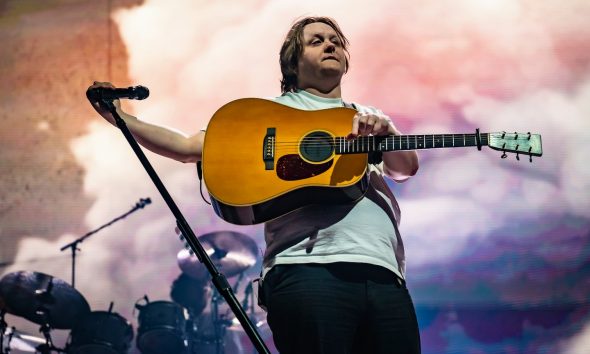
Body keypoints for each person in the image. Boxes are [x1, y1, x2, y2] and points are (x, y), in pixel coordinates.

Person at [88, 16, 420, 354]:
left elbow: (404, 169)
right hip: (307, 270)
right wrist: (121, 119)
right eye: (316, 41)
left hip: (383, 272)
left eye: (335, 40)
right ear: (293, 61)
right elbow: (188, 148)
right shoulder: (268, 114)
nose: (330, 45)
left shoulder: (368, 117)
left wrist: (388, 133)